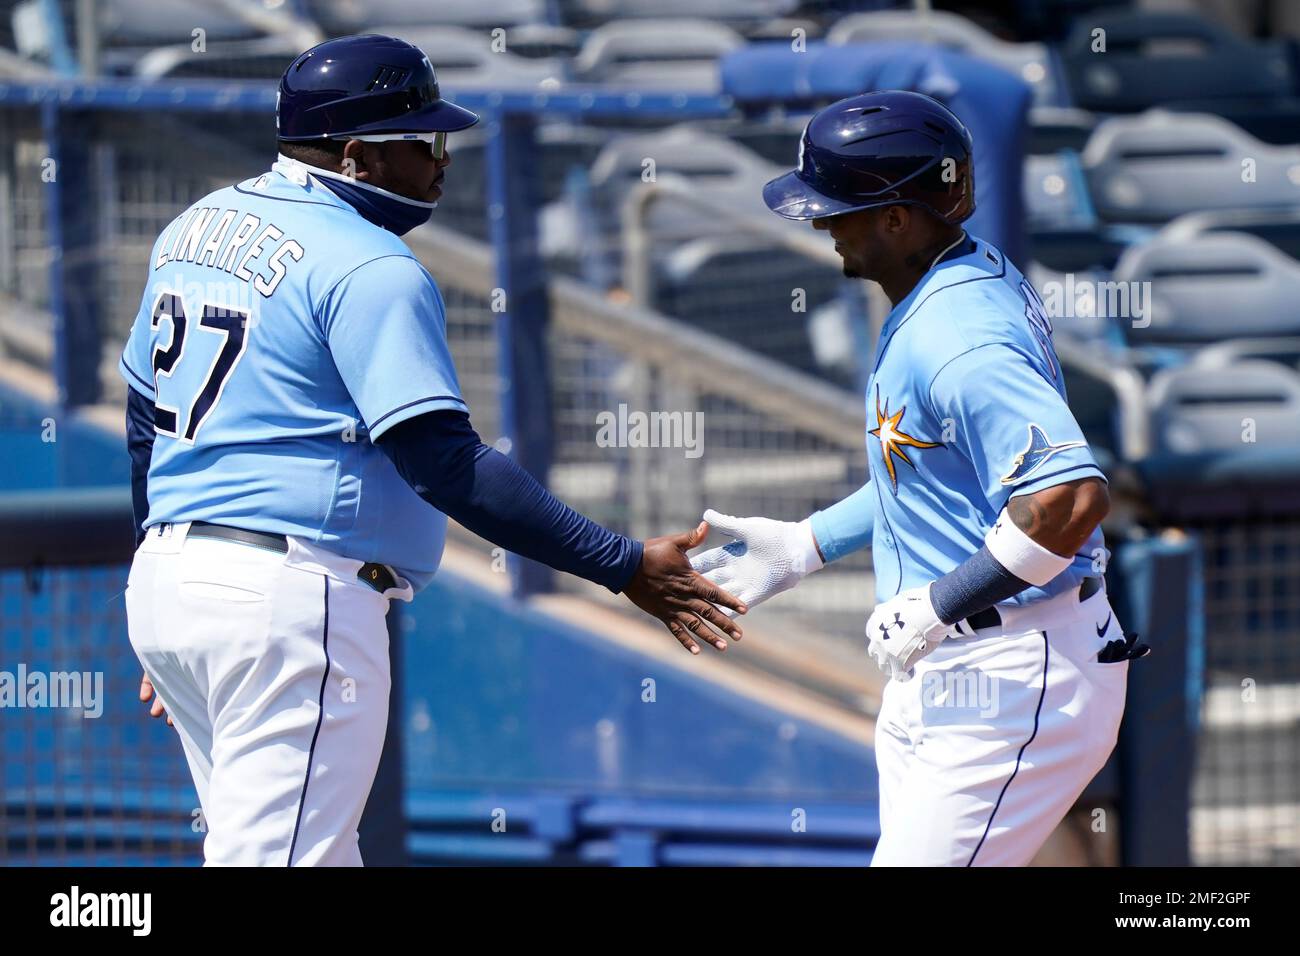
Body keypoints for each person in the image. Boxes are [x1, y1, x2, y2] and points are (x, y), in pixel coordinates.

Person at [121, 34, 744, 866]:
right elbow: (445, 463)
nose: (442, 161)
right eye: (422, 142)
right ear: (355, 156)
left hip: (172, 582)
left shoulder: (193, 226)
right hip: (289, 596)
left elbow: (143, 422)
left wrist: (166, 591)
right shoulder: (370, 262)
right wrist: (622, 563)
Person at [690, 90, 1147, 866]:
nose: (822, 224)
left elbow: (1068, 501)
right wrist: (808, 544)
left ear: (898, 217)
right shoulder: (954, 278)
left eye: (836, 209)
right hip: (952, 668)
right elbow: (939, 473)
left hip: (1013, 667)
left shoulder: (955, 333)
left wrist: (942, 601)